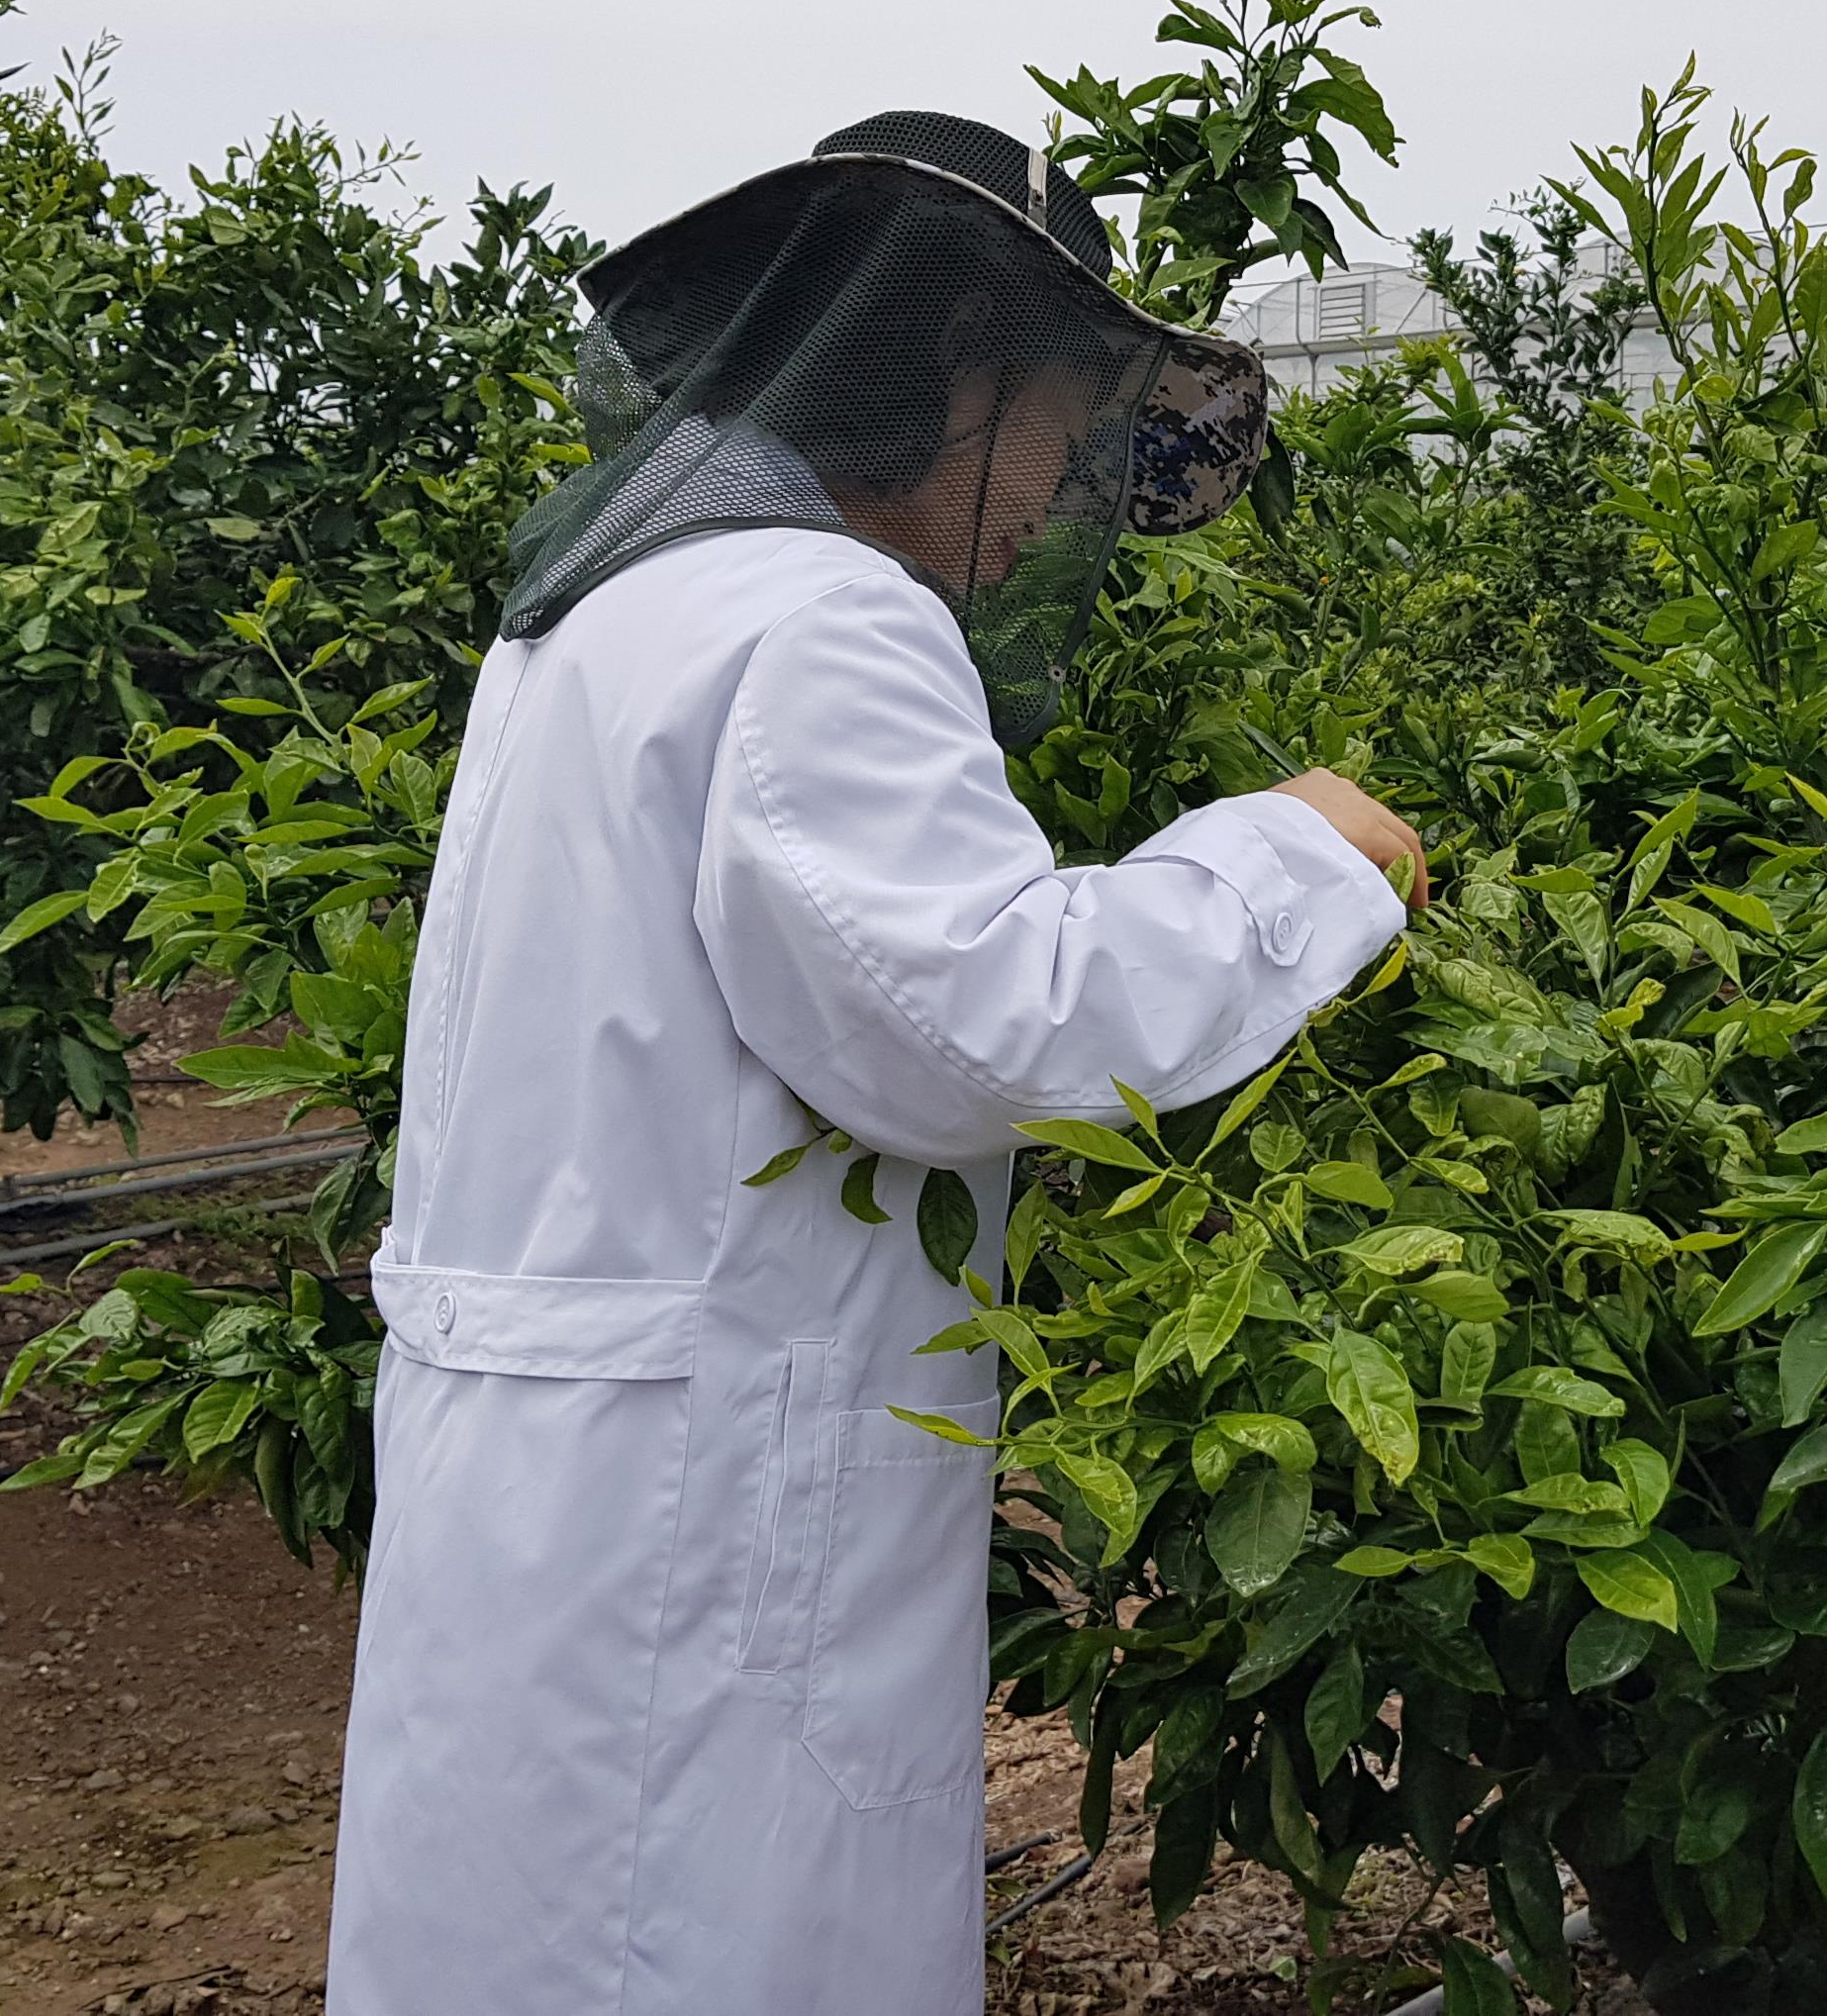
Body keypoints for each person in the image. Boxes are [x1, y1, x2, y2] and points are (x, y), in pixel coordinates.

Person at [327, 112, 1422, 2014]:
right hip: (689, 1517)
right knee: (693, 1943)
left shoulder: (607, 616)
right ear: (966, 371)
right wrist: (1301, 854)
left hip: (555, 1481)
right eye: (1065, 449)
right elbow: (979, 1024)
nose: (1042, 517)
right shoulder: (817, 614)